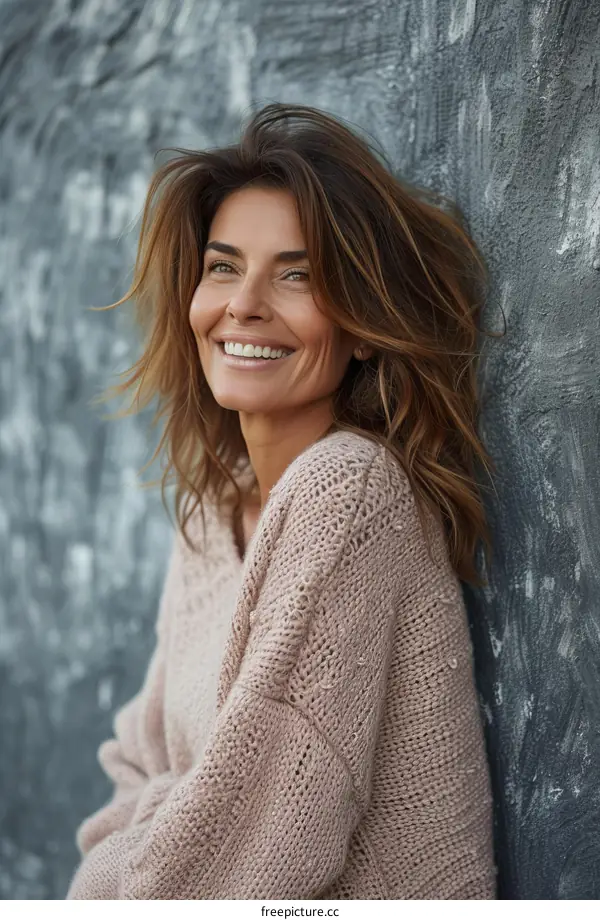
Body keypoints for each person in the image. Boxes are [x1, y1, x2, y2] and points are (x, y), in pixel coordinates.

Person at [66, 102, 503, 899]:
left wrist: (122, 862)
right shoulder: (210, 512)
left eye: (297, 274)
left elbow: (257, 850)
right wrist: (177, 810)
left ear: (363, 324)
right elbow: (137, 760)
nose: (245, 304)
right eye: (223, 266)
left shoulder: (350, 492)